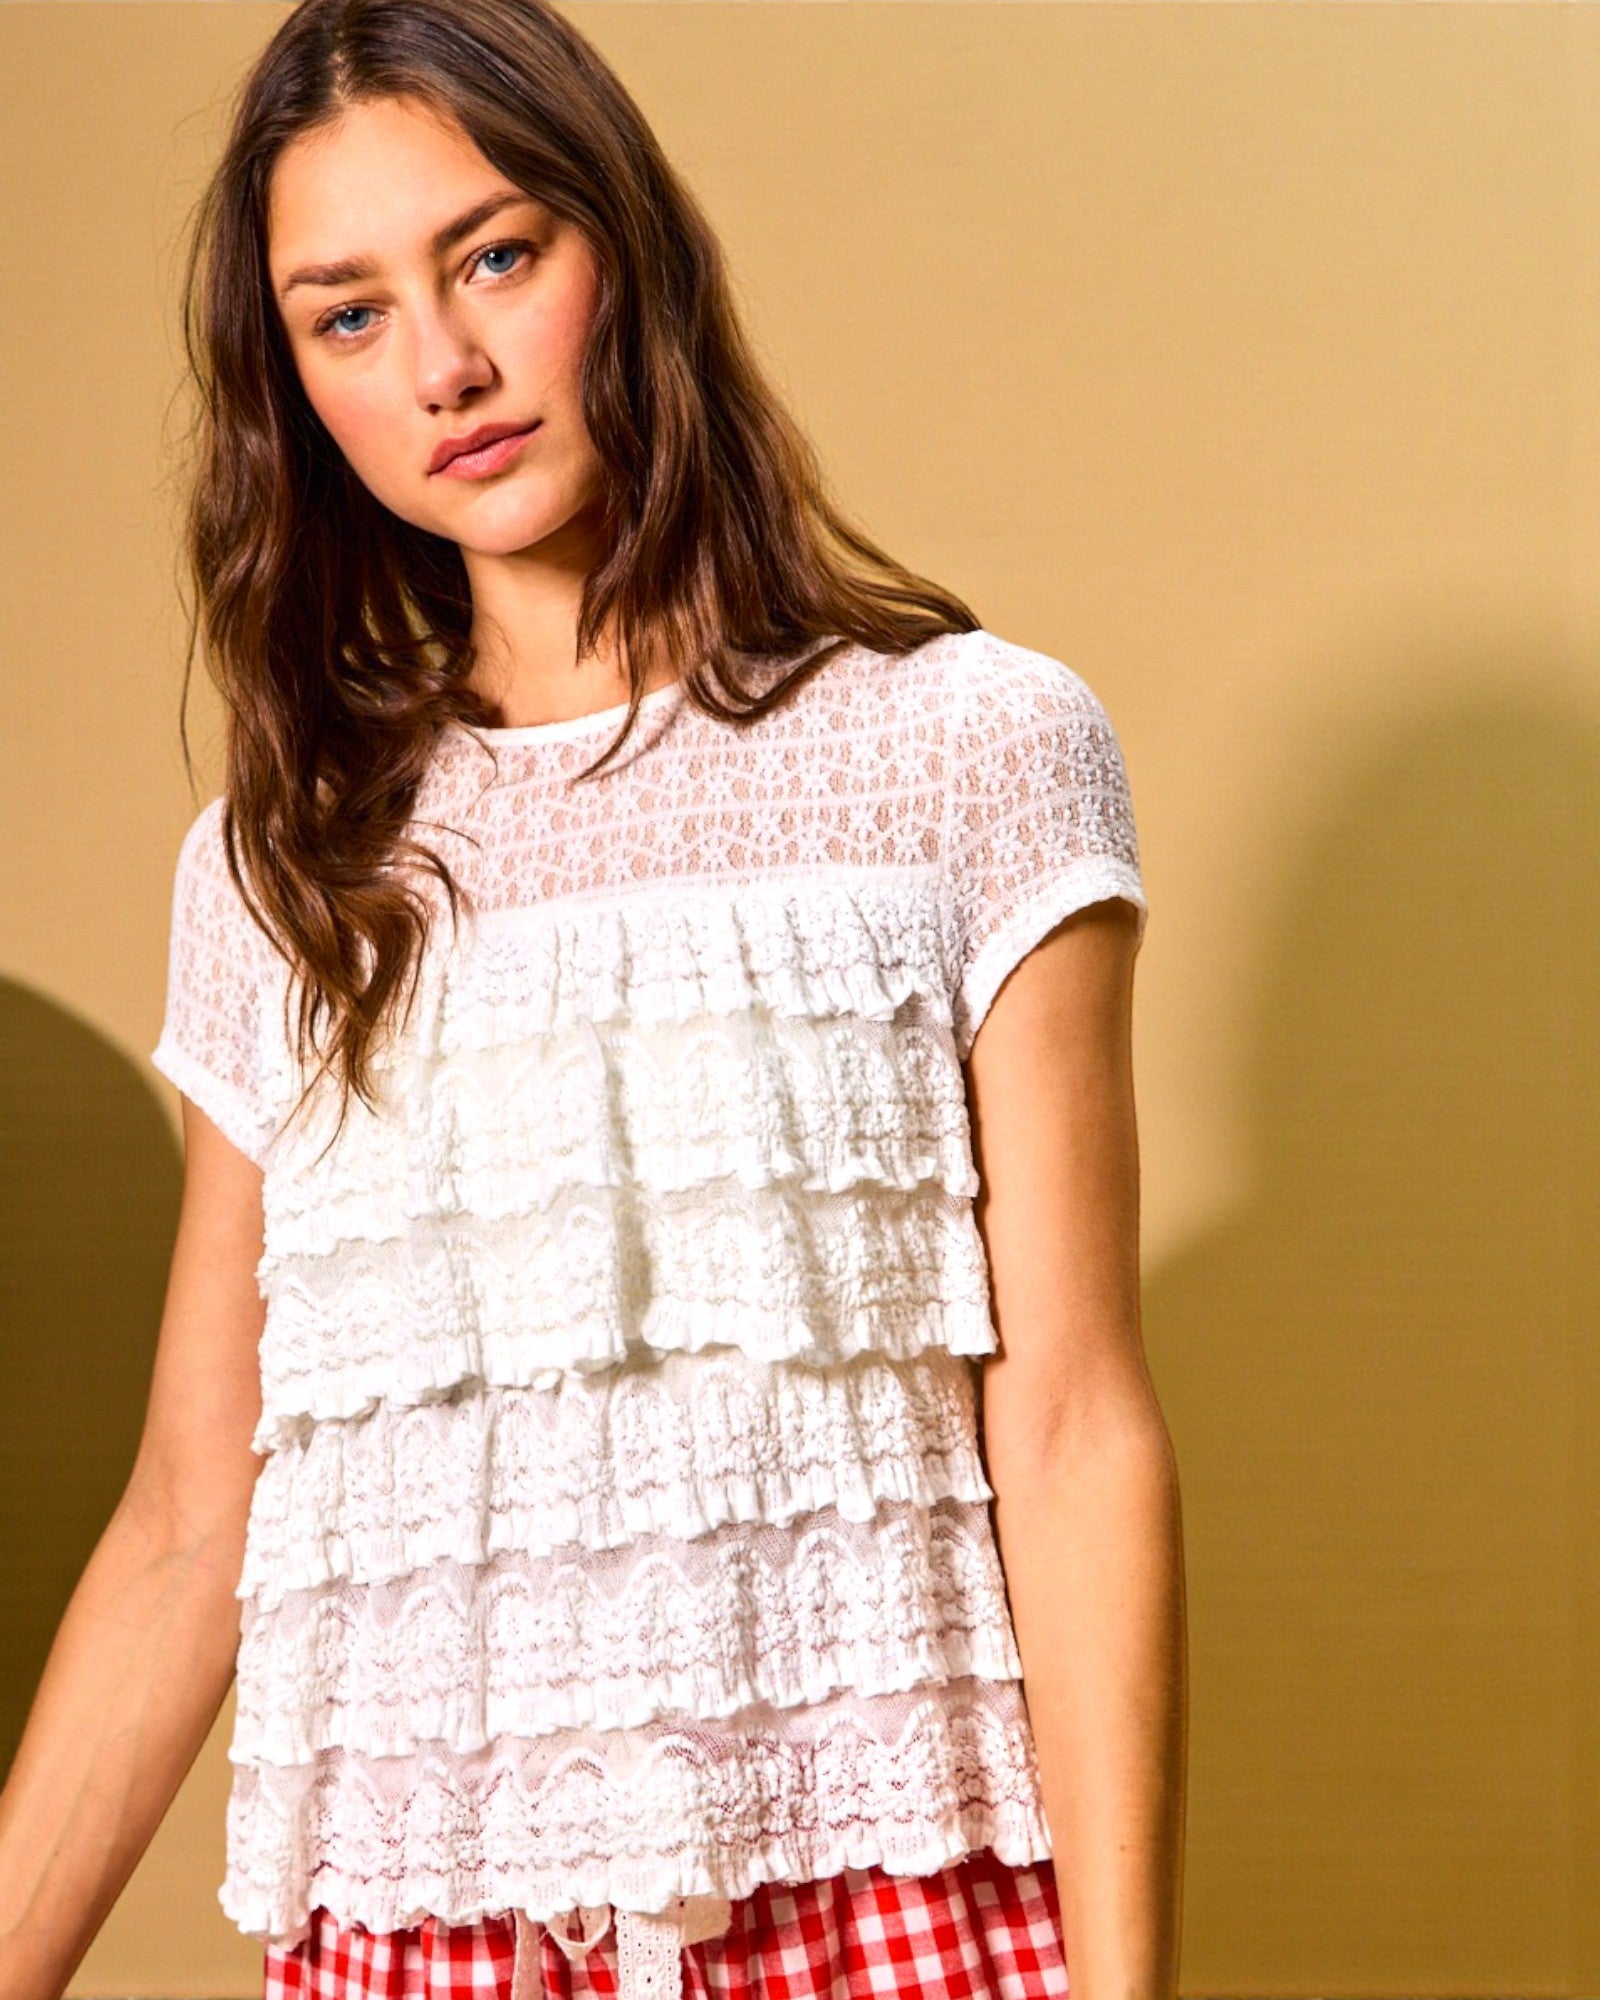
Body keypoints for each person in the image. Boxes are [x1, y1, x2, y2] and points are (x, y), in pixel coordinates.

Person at [0, 1, 1187, 1995]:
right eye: (346, 315)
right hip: (418, 1944)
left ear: (621, 249)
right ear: (291, 388)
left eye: (491, 254)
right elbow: (198, 1513)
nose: (443, 364)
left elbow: (1066, 1429)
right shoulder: (282, 869)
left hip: (870, 1916)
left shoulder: (970, 748)